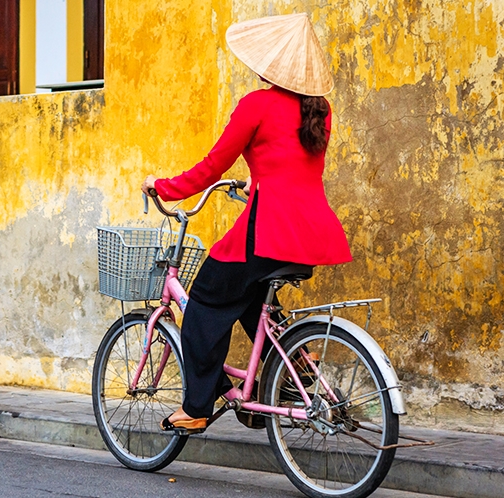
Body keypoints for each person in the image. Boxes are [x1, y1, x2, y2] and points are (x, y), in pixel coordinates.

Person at [141, 13, 353, 432]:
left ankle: (197, 407)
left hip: (269, 231)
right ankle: (287, 385)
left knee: (204, 302)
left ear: (270, 65)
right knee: (255, 308)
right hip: (312, 232)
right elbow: (288, 165)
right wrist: (255, 181)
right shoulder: (320, 111)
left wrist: (163, 186)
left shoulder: (257, 105)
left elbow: (211, 167)